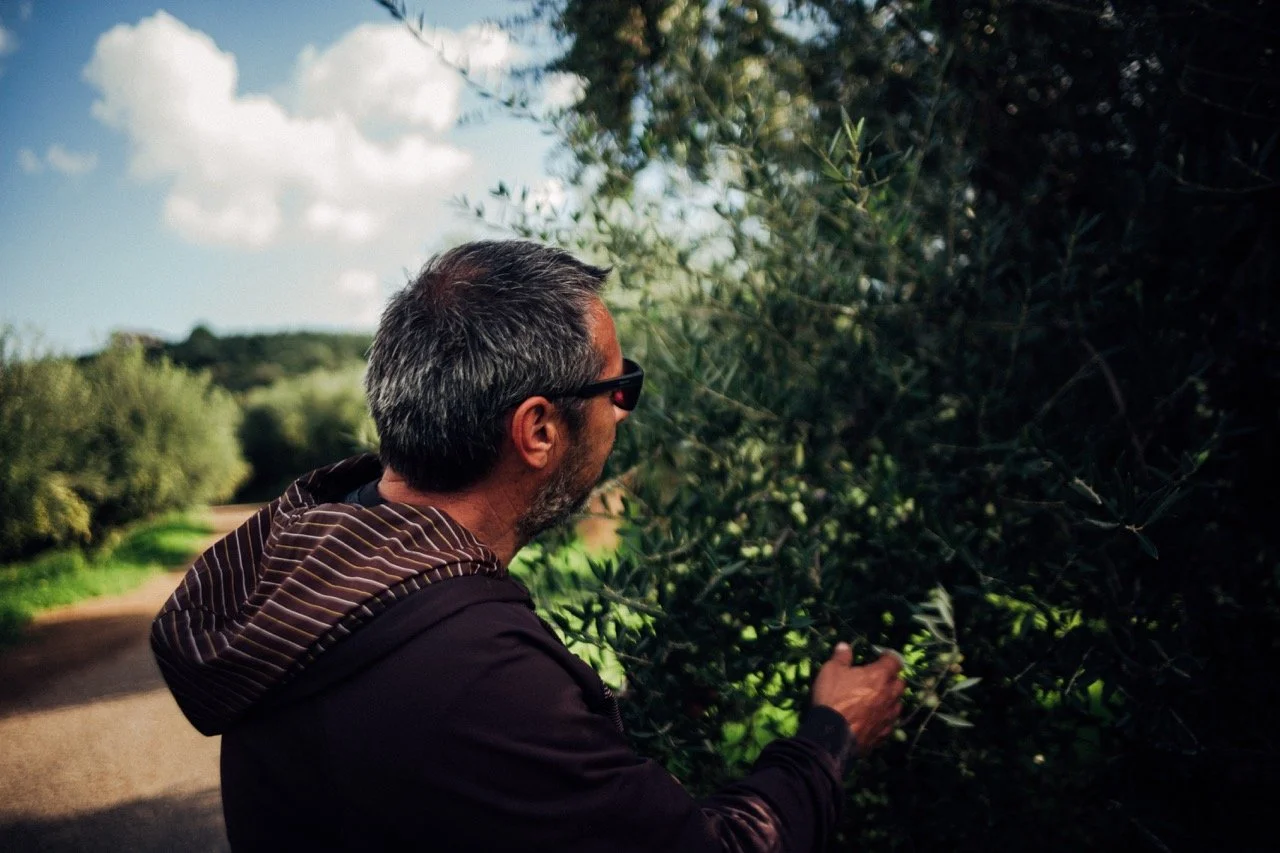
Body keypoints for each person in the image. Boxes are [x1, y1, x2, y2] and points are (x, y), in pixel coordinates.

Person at [151, 240, 904, 852]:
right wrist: (830, 739)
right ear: (539, 429)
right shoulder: (479, 677)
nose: (624, 413)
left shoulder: (312, 566)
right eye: (619, 387)